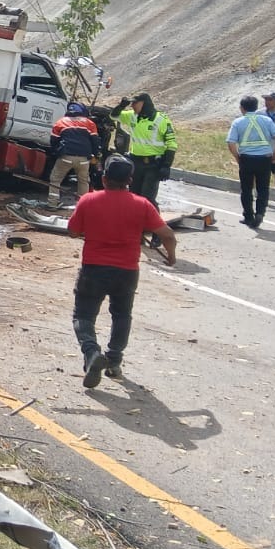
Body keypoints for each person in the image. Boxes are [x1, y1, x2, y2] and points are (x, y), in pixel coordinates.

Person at [67, 154, 177, 388]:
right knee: (121, 315)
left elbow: (73, 232)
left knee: (83, 315)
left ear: (104, 178)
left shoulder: (89, 200)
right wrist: (171, 257)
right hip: (126, 271)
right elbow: (167, 235)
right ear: (129, 180)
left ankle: (91, 352)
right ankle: (114, 361)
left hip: (94, 268)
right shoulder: (142, 204)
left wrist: (85, 213)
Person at [226, 94, 275, 228]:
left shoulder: (238, 122)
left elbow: (231, 142)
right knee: (263, 188)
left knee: (246, 189)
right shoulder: (267, 120)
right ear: (257, 107)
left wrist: (237, 157)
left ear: (242, 108)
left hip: (247, 159)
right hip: (265, 158)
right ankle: (260, 213)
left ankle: (248, 216)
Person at [115, 92, 177, 207]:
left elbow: (171, 144)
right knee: (134, 196)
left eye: (135, 103)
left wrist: (166, 165)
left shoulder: (161, 120)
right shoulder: (132, 116)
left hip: (153, 165)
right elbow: (113, 116)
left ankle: (153, 223)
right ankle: (134, 222)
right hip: (136, 162)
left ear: (143, 103)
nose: (132, 106)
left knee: (148, 199)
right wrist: (121, 106)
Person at [48, 102, 99, 208]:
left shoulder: (61, 122)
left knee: (55, 179)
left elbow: (53, 140)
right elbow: (95, 142)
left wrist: (56, 153)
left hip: (65, 157)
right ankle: (82, 206)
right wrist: (94, 155)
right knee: (83, 182)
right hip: (84, 159)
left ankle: (52, 204)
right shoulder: (90, 123)